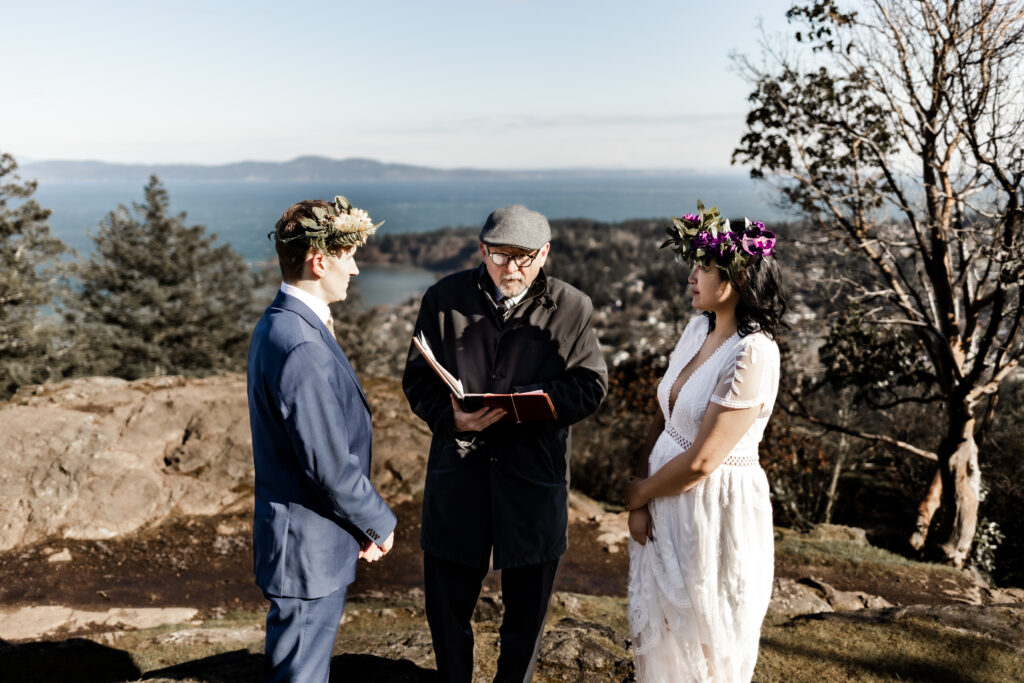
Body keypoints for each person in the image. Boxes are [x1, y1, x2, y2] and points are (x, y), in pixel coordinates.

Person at [402, 204, 608, 682]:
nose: (511, 268)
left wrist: (536, 405)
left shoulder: (573, 306)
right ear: (482, 249)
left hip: (533, 480)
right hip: (458, 478)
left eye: (524, 257)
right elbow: (417, 381)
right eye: (499, 256)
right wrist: (448, 415)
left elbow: (590, 386)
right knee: (447, 610)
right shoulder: (442, 297)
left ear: (545, 254)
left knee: (526, 618)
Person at [624, 201, 786, 682]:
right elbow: (667, 409)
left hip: (712, 508)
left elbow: (704, 460)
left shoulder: (753, 353)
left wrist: (641, 493)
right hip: (665, 499)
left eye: (703, 267)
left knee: (708, 635)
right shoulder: (699, 327)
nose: (691, 276)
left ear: (733, 279)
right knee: (670, 629)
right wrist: (642, 490)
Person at [247, 196, 397, 683]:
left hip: (304, 540)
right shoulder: (302, 345)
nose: (354, 270)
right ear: (320, 261)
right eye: (348, 257)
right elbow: (327, 463)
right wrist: (377, 523)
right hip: (305, 551)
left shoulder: (278, 324)